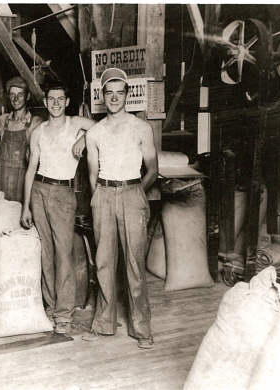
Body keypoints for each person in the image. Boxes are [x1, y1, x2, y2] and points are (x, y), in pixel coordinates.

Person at [84, 67, 158, 349]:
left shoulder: (142, 128)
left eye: (119, 93)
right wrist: (98, 198)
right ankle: (103, 323)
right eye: (109, 93)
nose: (114, 98)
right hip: (103, 194)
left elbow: (152, 169)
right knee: (103, 262)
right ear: (102, 96)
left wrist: (136, 192)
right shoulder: (95, 132)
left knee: (134, 264)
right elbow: (92, 174)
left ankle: (141, 328)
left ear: (127, 95)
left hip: (132, 193)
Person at [21, 82, 95, 334]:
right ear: (46, 102)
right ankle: (51, 307)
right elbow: (30, 170)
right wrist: (25, 207)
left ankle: (64, 314)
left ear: (66, 102)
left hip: (64, 192)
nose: (54, 103)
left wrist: (85, 138)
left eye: (59, 99)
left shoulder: (75, 124)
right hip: (39, 191)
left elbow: (101, 127)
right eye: (50, 99)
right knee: (45, 252)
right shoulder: (39, 131)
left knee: (64, 254)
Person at [0, 76, 43, 202]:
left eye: (20, 95)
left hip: (23, 181)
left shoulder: (34, 123)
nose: (16, 99)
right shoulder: (3, 120)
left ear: (27, 97)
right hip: (0, 180)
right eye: (12, 95)